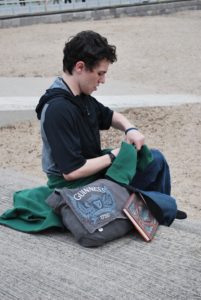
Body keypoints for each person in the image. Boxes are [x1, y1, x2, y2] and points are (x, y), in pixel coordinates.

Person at [36, 30, 186, 219]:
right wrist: (114, 156)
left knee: (155, 160)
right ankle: (159, 209)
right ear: (80, 67)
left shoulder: (82, 97)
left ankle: (156, 212)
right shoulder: (58, 109)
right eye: (100, 73)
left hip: (94, 172)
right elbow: (71, 172)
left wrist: (130, 128)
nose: (103, 80)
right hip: (74, 188)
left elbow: (109, 115)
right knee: (164, 203)